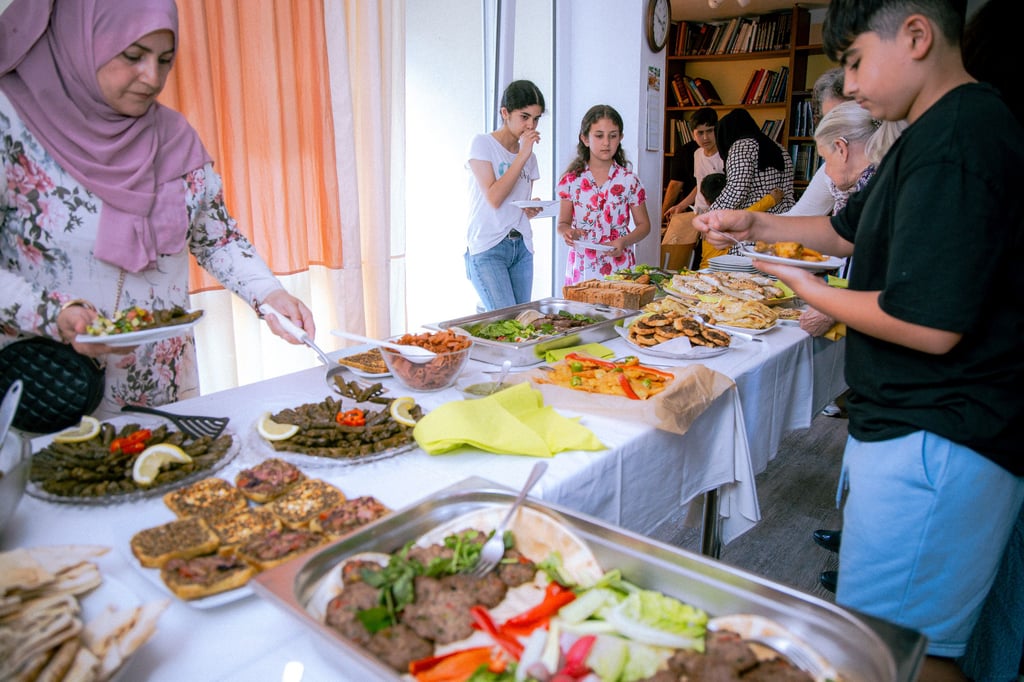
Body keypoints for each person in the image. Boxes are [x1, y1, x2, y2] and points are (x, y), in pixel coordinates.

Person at [694, 1, 1024, 678]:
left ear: (916, 34)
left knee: (894, 655)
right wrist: (756, 230)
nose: (847, 86)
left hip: (938, 436)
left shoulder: (960, 138)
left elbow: (931, 326)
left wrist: (806, 290)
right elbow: (847, 234)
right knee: (887, 642)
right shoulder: (928, 130)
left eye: (853, 60)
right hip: (915, 431)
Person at [0, 0, 315, 419]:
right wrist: (55, 315)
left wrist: (269, 294)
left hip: (164, 393)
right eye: (132, 56)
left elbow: (215, 237)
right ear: (80, 40)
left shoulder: (172, 136)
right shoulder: (10, 129)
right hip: (52, 396)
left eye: (164, 59)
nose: (152, 78)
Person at [464, 79, 546, 311]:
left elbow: (515, 206)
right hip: (488, 247)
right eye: (524, 117)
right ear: (505, 113)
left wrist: (531, 208)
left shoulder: (530, 157)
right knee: (507, 322)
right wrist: (522, 155)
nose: (531, 125)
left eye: (536, 118)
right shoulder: (482, 144)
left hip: (520, 246)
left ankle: (485, 316)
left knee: (523, 324)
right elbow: (494, 198)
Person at [556, 104, 650, 285]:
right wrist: (567, 233)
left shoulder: (629, 180)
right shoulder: (571, 180)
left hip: (619, 264)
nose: (606, 142)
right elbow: (562, 223)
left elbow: (644, 225)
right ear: (585, 139)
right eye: (599, 136)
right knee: (581, 312)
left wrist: (624, 241)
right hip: (583, 263)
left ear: (620, 138)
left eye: (612, 136)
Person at [784, 67, 851, 217]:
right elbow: (801, 216)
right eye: (829, 120)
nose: (836, 130)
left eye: (844, 117)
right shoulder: (831, 168)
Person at [708, 108, 795, 216]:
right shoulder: (779, 148)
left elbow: (737, 190)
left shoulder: (741, 148)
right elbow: (788, 192)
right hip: (783, 219)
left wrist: (711, 213)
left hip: (755, 223)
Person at [663, 107, 723, 217]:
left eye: (709, 131)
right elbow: (699, 185)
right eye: (700, 133)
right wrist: (681, 206)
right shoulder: (697, 154)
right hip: (698, 213)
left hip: (719, 215)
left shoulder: (725, 155)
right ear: (693, 135)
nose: (705, 137)